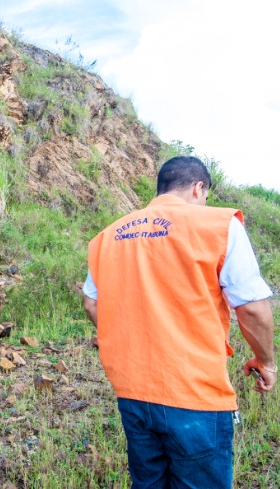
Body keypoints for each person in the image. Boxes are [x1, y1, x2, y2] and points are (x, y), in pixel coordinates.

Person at [83, 156, 276, 488]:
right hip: (193, 393)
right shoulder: (218, 225)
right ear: (198, 188)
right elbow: (253, 309)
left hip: (132, 391)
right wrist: (267, 361)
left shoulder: (108, 235)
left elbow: (91, 301)